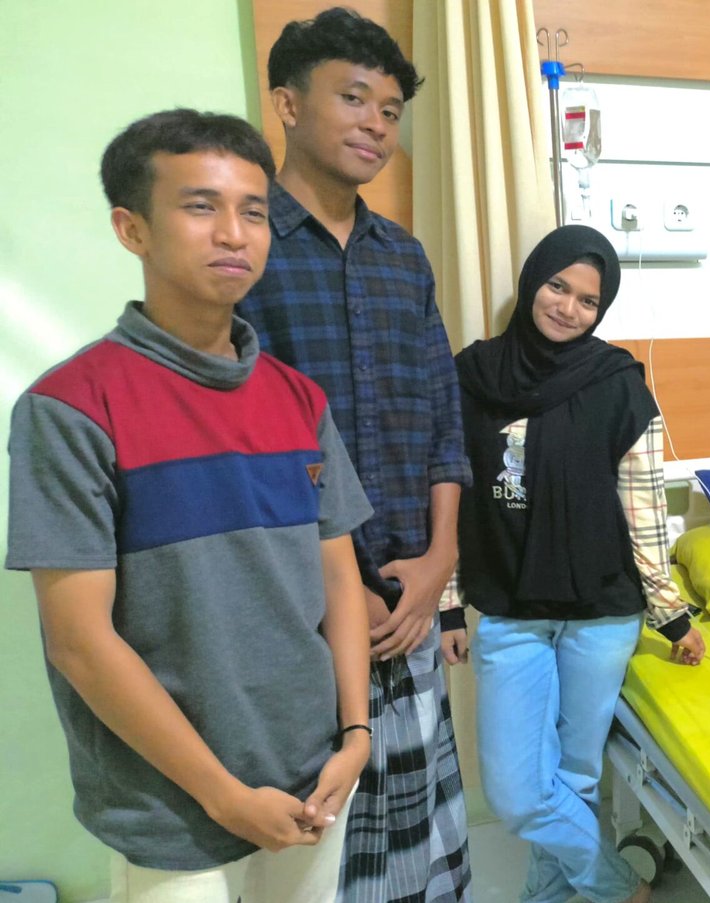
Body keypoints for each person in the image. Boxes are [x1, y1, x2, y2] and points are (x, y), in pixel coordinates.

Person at [7, 108, 372, 902]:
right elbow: (79, 642)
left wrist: (356, 731)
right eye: (201, 206)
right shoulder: (71, 407)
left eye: (253, 211)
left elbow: (340, 579)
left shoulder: (298, 399)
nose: (234, 233)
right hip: (170, 802)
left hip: (314, 775)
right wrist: (224, 794)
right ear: (131, 228)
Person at [235, 9, 471, 900]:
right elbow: (239, 444)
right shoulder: (243, 250)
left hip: (410, 593)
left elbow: (443, 415)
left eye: (391, 110)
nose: (376, 123)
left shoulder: (403, 258)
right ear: (289, 104)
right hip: (295, 598)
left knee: (420, 832)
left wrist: (442, 559)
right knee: (313, 845)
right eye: (355, 98)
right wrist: (336, 583)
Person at [453, 225, 704, 903]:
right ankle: (621, 889)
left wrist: (672, 615)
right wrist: (448, 601)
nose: (568, 307)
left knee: (574, 780)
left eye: (588, 300)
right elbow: (447, 491)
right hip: (511, 610)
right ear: (532, 280)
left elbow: (644, 509)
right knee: (518, 793)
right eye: (557, 286)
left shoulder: (618, 383)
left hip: (602, 612)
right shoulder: (473, 376)